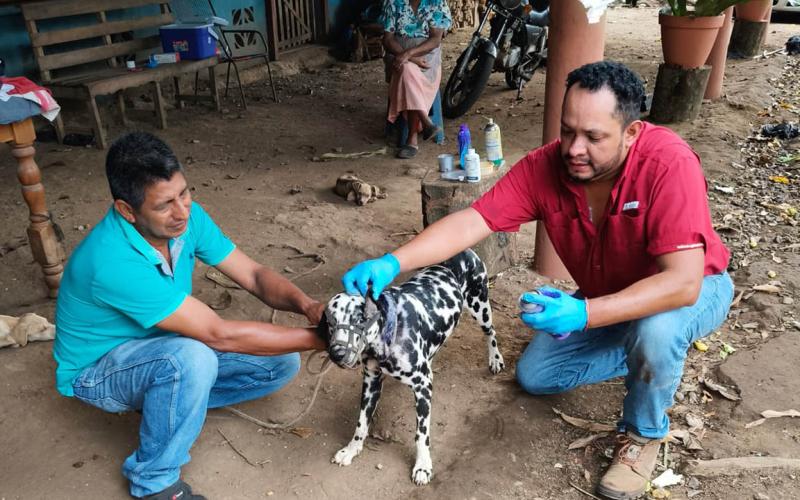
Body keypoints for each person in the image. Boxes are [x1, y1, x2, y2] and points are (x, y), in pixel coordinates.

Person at [341, 61, 734, 499]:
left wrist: (584, 313)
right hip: (610, 294)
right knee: (537, 376)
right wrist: (394, 263)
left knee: (657, 330)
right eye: (567, 131)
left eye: (594, 136)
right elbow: (472, 222)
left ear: (632, 133)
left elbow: (682, 283)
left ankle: (643, 434)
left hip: (696, 288)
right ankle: (640, 348)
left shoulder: (668, 163)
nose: (573, 148)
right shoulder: (546, 167)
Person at [54, 132, 327, 500]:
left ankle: (167, 404)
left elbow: (254, 276)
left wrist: (310, 307)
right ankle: (155, 481)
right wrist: (328, 337)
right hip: (99, 370)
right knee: (190, 359)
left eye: (184, 193)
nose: (182, 211)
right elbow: (217, 334)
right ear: (126, 210)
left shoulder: (187, 219)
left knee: (281, 363)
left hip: (162, 347)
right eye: (165, 204)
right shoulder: (109, 260)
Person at [382, 0, 451, 159]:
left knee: (407, 73)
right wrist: (409, 58)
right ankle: (421, 127)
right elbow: (387, 40)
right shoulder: (393, 2)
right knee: (407, 70)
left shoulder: (436, 3)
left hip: (427, 57)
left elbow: (435, 39)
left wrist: (409, 55)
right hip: (397, 54)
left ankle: (414, 137)